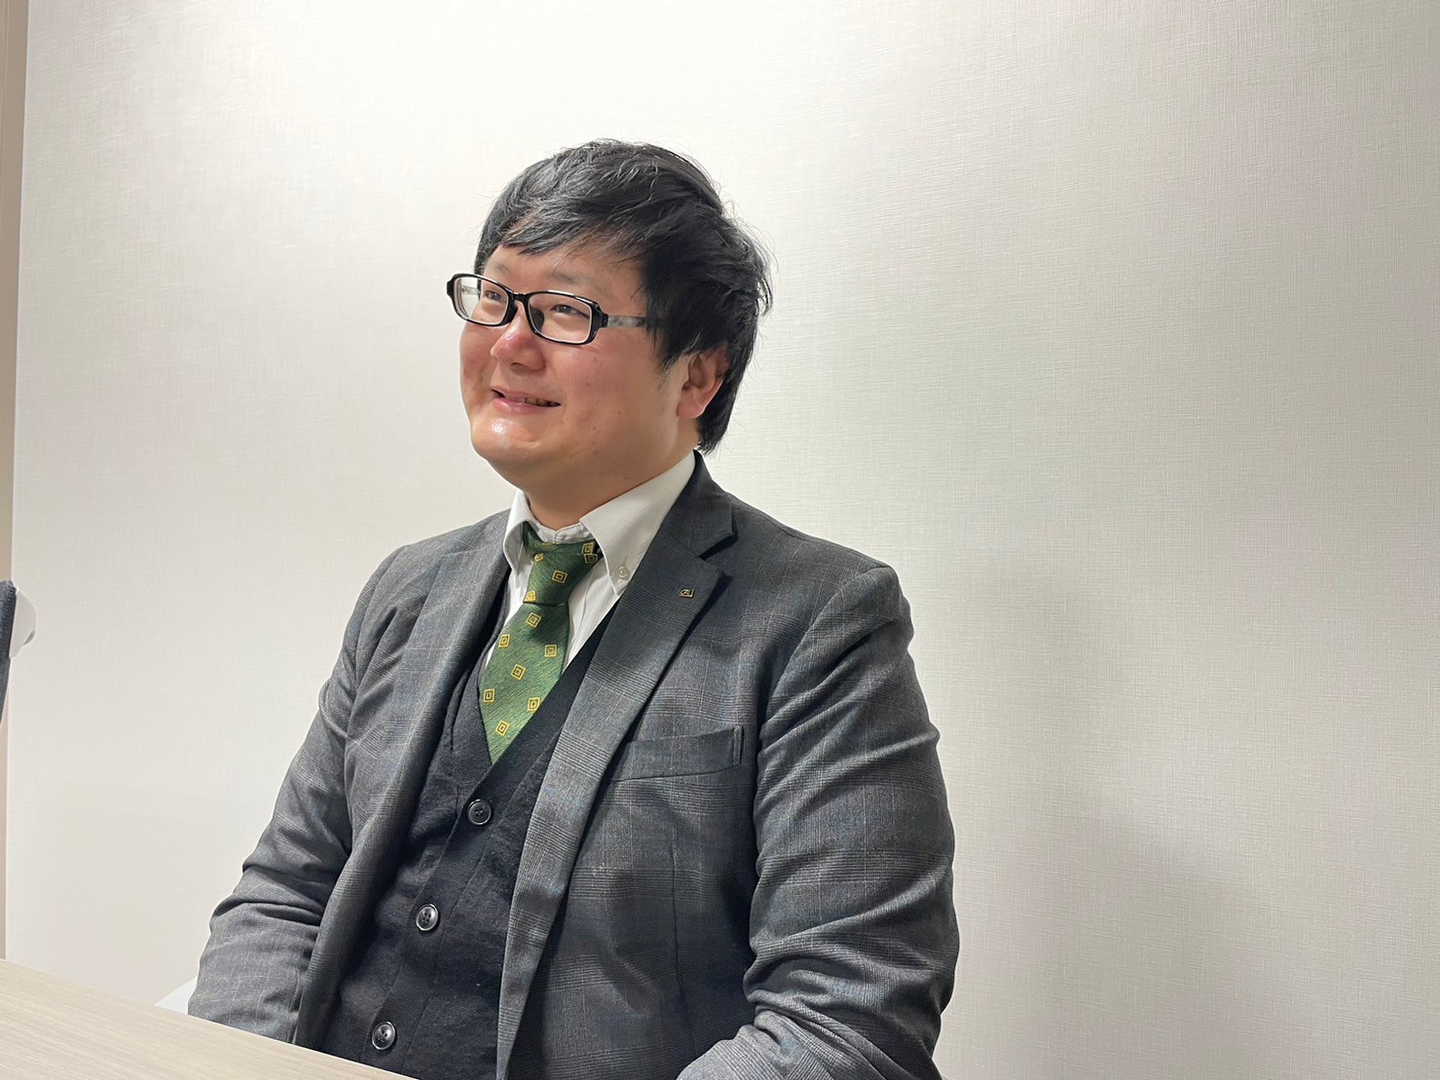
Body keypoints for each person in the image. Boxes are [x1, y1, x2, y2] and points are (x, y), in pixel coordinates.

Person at [190, 139, 958, 1080]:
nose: (509, 344)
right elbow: (285, 891)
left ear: (697, 376)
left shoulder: (820, 623)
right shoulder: (410, 589)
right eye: (494, 299)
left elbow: (849, 1019)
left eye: (564, 311)